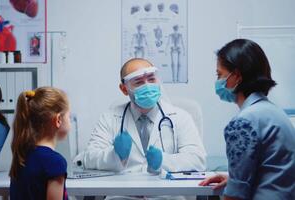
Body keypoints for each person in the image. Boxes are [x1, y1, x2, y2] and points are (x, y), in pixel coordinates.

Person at [199, 39, 295, 199]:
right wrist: (234, 179)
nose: (218, 81)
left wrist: (235, 185)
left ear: (236, 76)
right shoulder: (276, 113)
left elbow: (235, 197)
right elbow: (274, 171)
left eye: (219, 75)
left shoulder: (243, 122)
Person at [80, 58, 206, 174]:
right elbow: (88, 158)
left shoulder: (181, 117)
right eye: (139, 82)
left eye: (151, 79)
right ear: (124, 89)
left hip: (167, 194)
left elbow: (198, 160)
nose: (147, 86)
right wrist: (115, 155)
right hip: (123, 193)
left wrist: (163, 161)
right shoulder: (109, 118)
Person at [9, 87, 71, 200]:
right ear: (58, 120)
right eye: (69, 116)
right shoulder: (55, 162)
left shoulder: (22, 155)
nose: (70, 120)